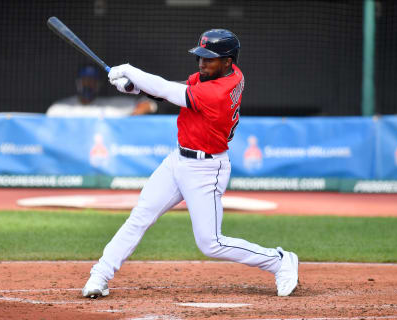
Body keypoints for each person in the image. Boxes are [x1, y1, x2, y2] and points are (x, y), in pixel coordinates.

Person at [82, 29, 299, 298]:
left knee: (211, 244)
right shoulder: (223, 75)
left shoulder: (219, 92)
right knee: (140, 216)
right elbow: (170, 92)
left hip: (207, 169)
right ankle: (100, 275)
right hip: (178, 161)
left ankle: (279, 261)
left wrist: (129, 70)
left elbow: (166, 89)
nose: (202, 63)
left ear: (228, 61)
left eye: (209, 59)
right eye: (200, 57)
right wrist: (133, 86)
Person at [46, 65, 157, 117]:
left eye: (92, 81)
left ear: (98, 85)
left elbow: (149, 103)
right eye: (85, 80)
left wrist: (130, 120)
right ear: (78, 83)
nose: (89, 84)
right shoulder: (60, 108)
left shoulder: (110, 107)